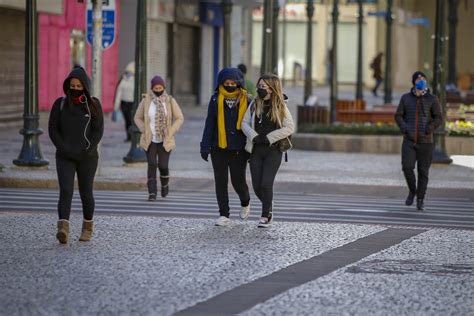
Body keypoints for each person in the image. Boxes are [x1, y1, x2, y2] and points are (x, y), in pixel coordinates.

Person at [48, 66, 104, 244]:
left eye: (79, 86)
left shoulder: (94, 104)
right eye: (72, 85)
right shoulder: (60, 104)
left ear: (85, 87)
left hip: (87, 157)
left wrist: (88, 149)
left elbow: (98, 131)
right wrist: (63, 147)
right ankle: (63, 228)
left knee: (86, 193)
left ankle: (87, 227)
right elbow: (53, 129)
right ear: (67, 86)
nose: (75, 89)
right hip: (65, 156)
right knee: (66, 191)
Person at [242, 74, 294, 228]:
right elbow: (244, 123)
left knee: (266, 184)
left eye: (263, 87)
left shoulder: (281, 106)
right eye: (259, 86)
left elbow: (289, 127)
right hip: (256, 150)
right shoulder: (253, 104)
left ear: (272, 89)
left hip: (273, 151)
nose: (260, 89)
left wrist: (269, 138)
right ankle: (268, 203)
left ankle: (266, 215)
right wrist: (254, 136)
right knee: (257, 186)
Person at [200, 67, 251, 226]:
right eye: (226, 83)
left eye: (233, 83)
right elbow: (210, 123)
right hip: (218, 147)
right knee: (220, 181)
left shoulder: (247, 100)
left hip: (238, 149)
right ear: (221, 83)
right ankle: (224, 214)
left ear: (239, 83)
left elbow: (251, 124)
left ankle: (245, 201)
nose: (229, 85)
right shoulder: (215, 99)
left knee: (238, 181)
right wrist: (205, 145)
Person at [394, 71, 442, 211]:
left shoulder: (432, 99)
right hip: (409, 140)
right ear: (414, 82)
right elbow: (398, 116)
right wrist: (405, 128)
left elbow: (438, 117)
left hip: (426, 141)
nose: (421, 81)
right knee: (407, 167)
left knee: (423, 172)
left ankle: (420, 199)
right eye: (418, 79)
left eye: (423, 79)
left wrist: (429, 128)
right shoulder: (406, 98)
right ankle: (412, 191)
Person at [134, 75, 184, 201]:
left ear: (164, 87)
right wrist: (143, 129)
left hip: (165, 140)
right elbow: (137, 117)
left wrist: (171, 131)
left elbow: (179, 118)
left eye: (160, 87)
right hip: (150, 139)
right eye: (155, 87)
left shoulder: (170, 100)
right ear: (152, 88)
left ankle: (165, 184)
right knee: (151, 164)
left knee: (162, 165)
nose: (158, 89)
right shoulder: (146, 100)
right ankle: (152, 192)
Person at [113, 62, 135, 141]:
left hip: (132, 103)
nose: (128, 73)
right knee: (127, 120)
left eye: (130, 72)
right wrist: (116, 106)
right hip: (124, 103)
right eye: (127, 71)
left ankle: (132, 136)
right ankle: (129, 136)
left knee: (130, 120)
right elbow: (119, 93)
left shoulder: (135, 81)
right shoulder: (123, 80)